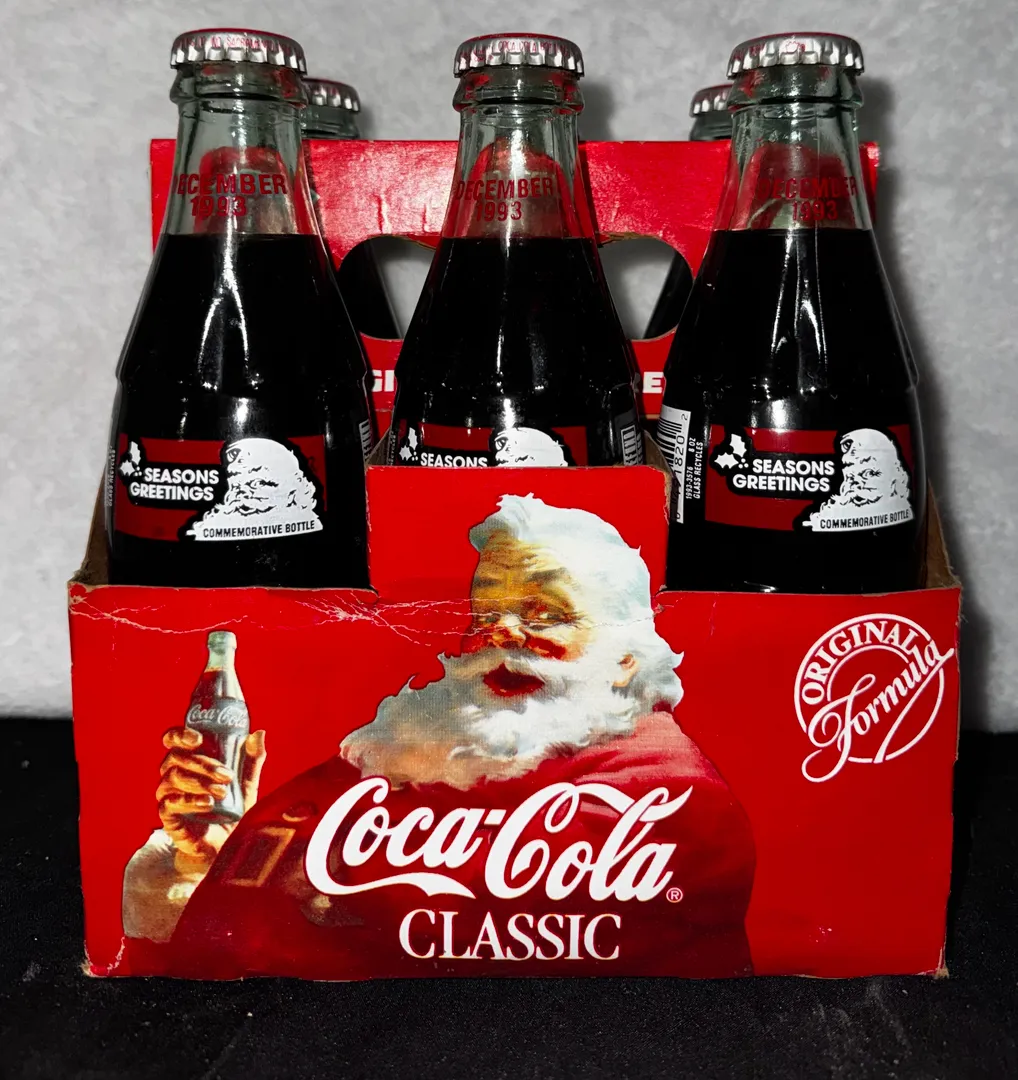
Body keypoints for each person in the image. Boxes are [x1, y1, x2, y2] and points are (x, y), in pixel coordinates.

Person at [123, 495, 756, 977]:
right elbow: (238, 926)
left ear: (625, 658)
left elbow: (431, 922)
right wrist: (208, 857)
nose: (502, 632)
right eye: (486, 611)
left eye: (546, 614)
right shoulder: (434, 734)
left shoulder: (665, 796)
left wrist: (287, 874)